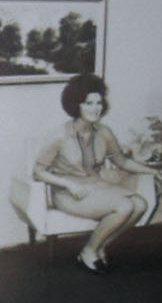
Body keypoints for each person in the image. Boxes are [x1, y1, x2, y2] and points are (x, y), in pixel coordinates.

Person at [16, 72, 153, 271]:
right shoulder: (59, 135)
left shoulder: (104, 132)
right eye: (88, 103)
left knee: (140, 205)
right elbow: (38, 172)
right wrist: (68, 184)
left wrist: (153, 172)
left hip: (97, 187)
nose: (95, 108)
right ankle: (88, 251)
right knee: (125, 206)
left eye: (98, 103)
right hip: (67, 193)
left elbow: (121, 161)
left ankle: (99, 246)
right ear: (76, 104)